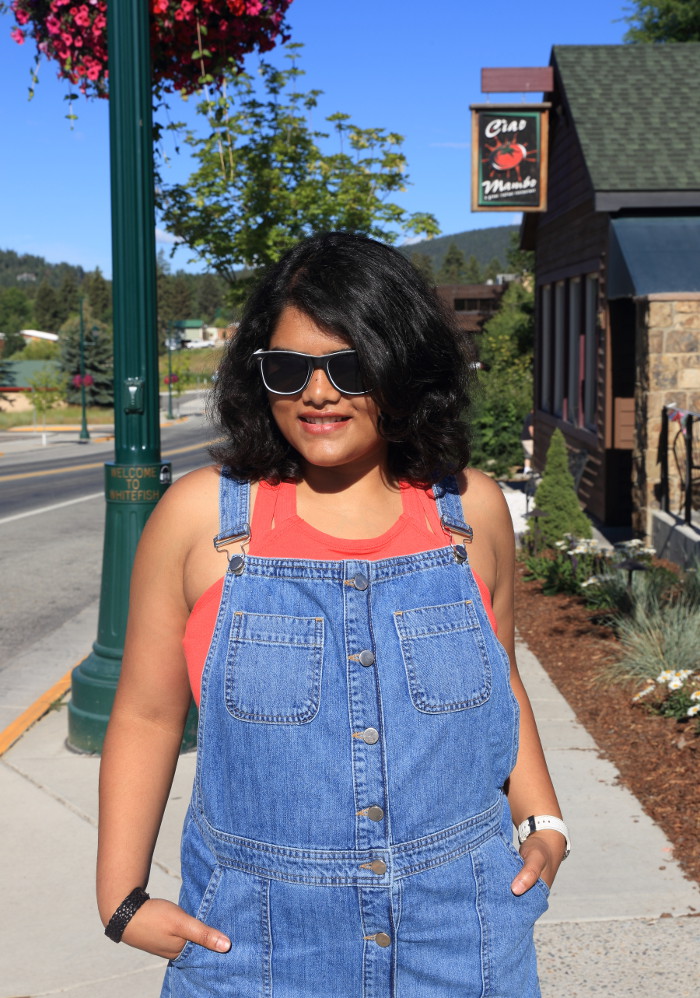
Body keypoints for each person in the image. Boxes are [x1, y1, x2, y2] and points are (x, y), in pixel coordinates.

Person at [97, 231, 568, 997]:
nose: (318, 393)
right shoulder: (198, 522)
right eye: (288, 370)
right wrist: (120, 898)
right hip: (256, 950)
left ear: (404, 365)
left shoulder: (469, 513)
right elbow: (149, 715)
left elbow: (500, 682)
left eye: (349, 367)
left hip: (465, 939)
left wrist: (545, 821)